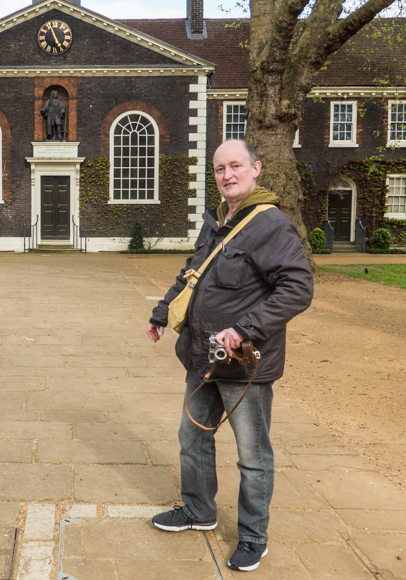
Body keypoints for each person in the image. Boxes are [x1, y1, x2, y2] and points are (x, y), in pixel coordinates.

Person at [146, 139, 313, 572]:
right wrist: (163, 310)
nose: (227, 175)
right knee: (192, 437)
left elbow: (298, 288)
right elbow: (193, 271)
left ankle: (254, 537)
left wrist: (243, 328)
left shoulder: (271, 224)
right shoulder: (217, 220)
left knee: (252, 458)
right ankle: (199, 511)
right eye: (220, 169)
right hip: (203, 356)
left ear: (256, 169)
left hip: (243, 365)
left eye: (235, 166)